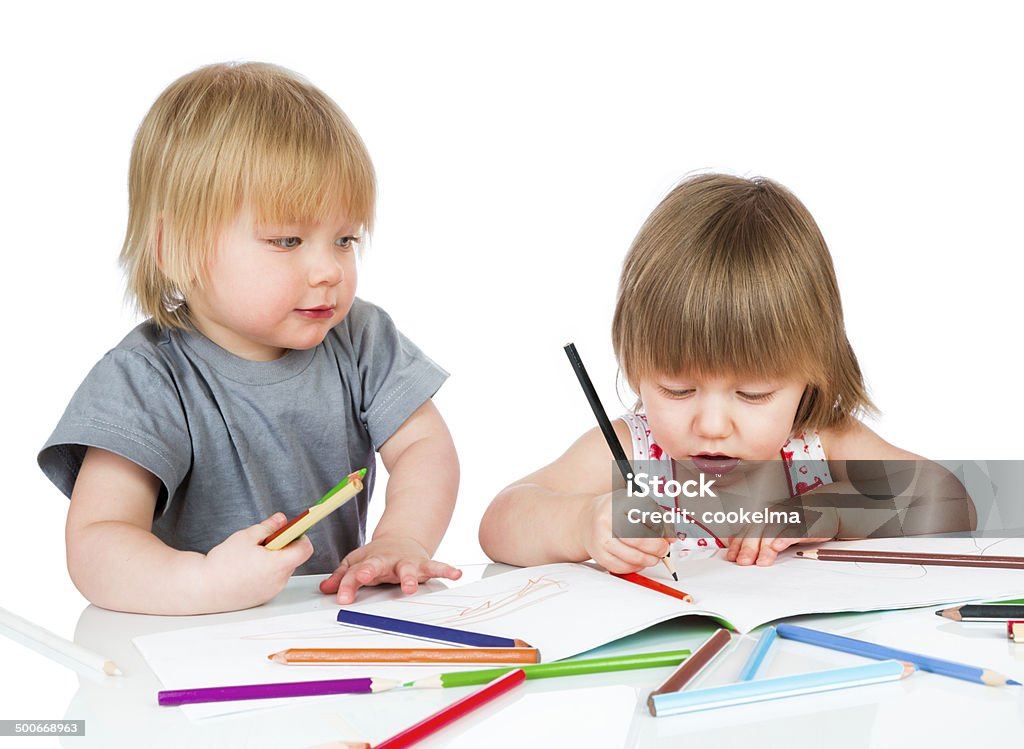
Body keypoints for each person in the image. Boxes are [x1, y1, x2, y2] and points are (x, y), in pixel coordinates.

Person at [38, 62, 461, 615]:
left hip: (323, 627)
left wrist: (400, 540)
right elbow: (97, 539)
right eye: (287, 240)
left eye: (343, 239)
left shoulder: (361, 337)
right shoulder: (146, 378)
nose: (328, 270)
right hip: (190, 646)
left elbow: (425, 449)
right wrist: (204, 582)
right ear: (174, 248)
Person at [479, 173, 972, 574]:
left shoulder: (818, 442)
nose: (712, 425)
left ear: (811, 376)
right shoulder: (637, 449)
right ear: (635, 368)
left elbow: (950, 502)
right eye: (678, 388)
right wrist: (580, 523)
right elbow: (500, 521)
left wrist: (834, 510)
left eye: (753, 394)